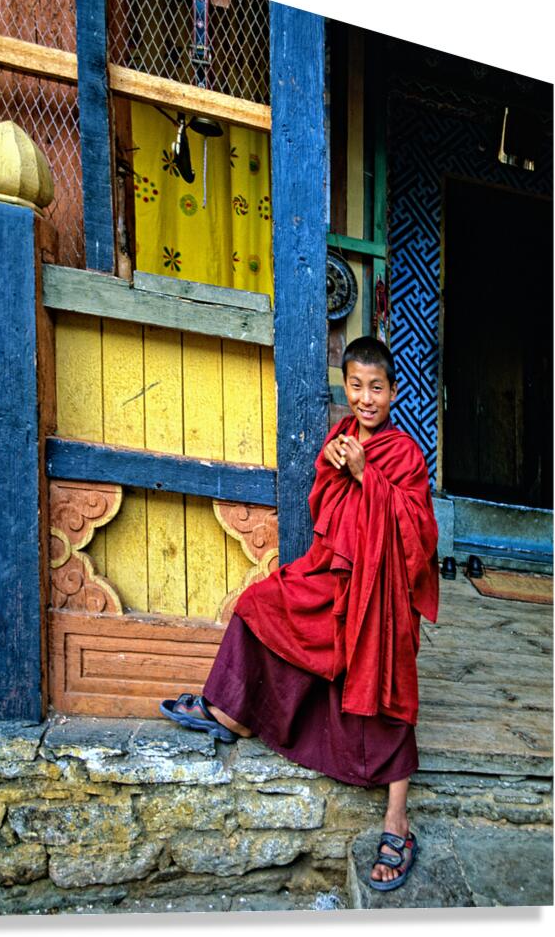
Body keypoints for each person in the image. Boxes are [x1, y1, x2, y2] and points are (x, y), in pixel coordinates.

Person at [160, 336, 439, 891]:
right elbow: (322, 505)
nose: (365, 398)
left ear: (394, 392)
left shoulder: (404, 454)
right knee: (261, 604)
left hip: (377, 587)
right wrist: (337, 467)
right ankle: (232, 713)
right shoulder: (339, 438)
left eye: (376, 388)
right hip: (331, 573)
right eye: (355, 386)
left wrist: (367, 475)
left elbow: (419, 533)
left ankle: (397, 820)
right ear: (346, 386)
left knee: (386, 678)